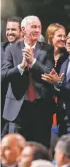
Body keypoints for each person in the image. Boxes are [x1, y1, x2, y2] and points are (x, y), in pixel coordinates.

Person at [1, 15, 55, 147]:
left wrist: (34, 62)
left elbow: (50, 72)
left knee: (40, 148)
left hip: (41, 107)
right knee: (17, 150)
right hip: (18, 109)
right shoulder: (11, 49)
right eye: (34, 27)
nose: (37, 30)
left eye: (39, 27)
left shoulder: (47, 49)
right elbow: (3, 75)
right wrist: (21, 67)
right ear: (23, 29)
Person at [1, 16, 23, 131]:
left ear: (22, 31)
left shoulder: (28, 50)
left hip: (19, 109)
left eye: (13, 30)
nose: (9, 32)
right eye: (8, 29)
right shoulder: (1, 49)